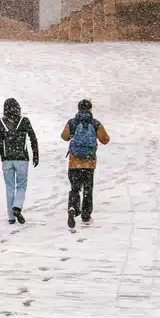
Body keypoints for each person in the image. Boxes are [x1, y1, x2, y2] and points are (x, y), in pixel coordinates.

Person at [61, 98, 110, 229]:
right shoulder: (95, 123)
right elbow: (105, 139)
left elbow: (64, 136)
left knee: (75, 188)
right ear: (90, 109)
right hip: (89, 163)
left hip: (74, 162)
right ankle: (86, 215)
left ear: (78, 109)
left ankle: (72, 207)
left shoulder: (72, 122)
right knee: (88, 189)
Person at [0, 98, 39, 225]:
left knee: (9, 188)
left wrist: (3, 157)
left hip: (7, 160)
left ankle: (11, 217)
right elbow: (33, 138)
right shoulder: (24, 121)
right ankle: (17, 207)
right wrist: (36, 154)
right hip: (22, 158)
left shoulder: (1, 122)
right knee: (21, 186)